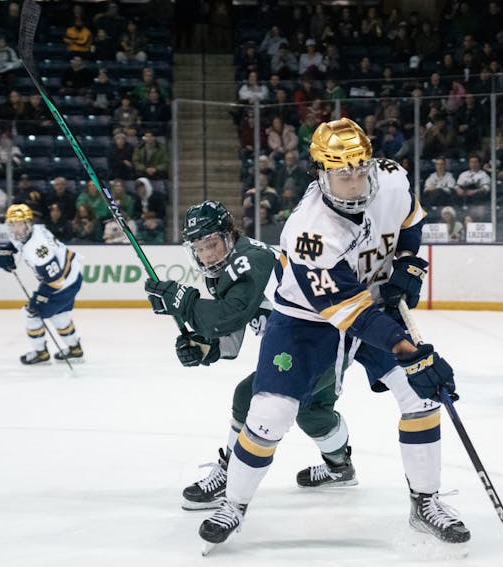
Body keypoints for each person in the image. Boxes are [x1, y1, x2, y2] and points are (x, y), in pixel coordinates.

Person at [194, 118, 468, 551]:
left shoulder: (391, 179)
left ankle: (425, 502)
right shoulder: (309, 233)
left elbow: (410, 221)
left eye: (360, 169)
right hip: (305, 321)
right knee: (269, 414)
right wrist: (409, 351)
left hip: (370, 304)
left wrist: (409, 264)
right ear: (322, 173)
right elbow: (351, 314)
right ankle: (234, 505)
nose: (355, 181)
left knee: (421, 398)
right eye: (343, 174)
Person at [143, 201, 359, 511]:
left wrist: (184, 302)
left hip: (325, 338)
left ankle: (231, 476)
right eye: (199, 249)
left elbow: (226, 317)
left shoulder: (251, 260)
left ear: (229, 236)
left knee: (250, 394)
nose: (207, 255)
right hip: (313, 340)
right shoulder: (223, 271)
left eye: (212, 244)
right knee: (312, 411)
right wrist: (204, 347)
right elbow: (230, 337)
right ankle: (340, 468)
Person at [0, 204, 85, 365]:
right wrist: (6, 251)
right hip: (72, 277)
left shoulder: (38, 248)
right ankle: (74, 349)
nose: (16, 229)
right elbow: (15, 243)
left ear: (28, 223)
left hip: (62, 284)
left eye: (19, 224)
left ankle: (40, 353)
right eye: (12, 224)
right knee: (59, 315)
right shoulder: (33, 230)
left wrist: (39, 298)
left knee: (30, 314)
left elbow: (55, 280)